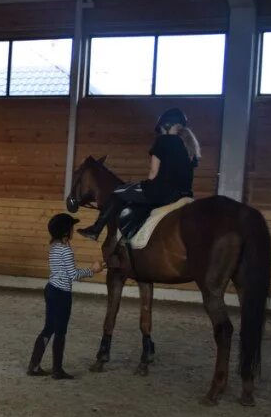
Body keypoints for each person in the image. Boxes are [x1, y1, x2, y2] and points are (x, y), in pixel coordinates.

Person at [78, 108, 201, 242]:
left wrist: (146, 186)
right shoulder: (190, 147)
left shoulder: (163, 141)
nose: (160, 133)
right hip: (184, 194)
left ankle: (95, 230)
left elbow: (153, 173)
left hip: (161, 192)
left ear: (166, 126)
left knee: (117, 192)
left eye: (160, 130)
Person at [29, 214, 104, 379]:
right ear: (65, 231)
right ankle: (57, 370)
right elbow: (73, 275)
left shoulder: (55, 247)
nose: (72, 231)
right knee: (60, 332)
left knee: (49, 328)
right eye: (71, 228)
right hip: (61, 294)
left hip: (51, 289)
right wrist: (92, 270)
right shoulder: (66, 250)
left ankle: (34, 366)